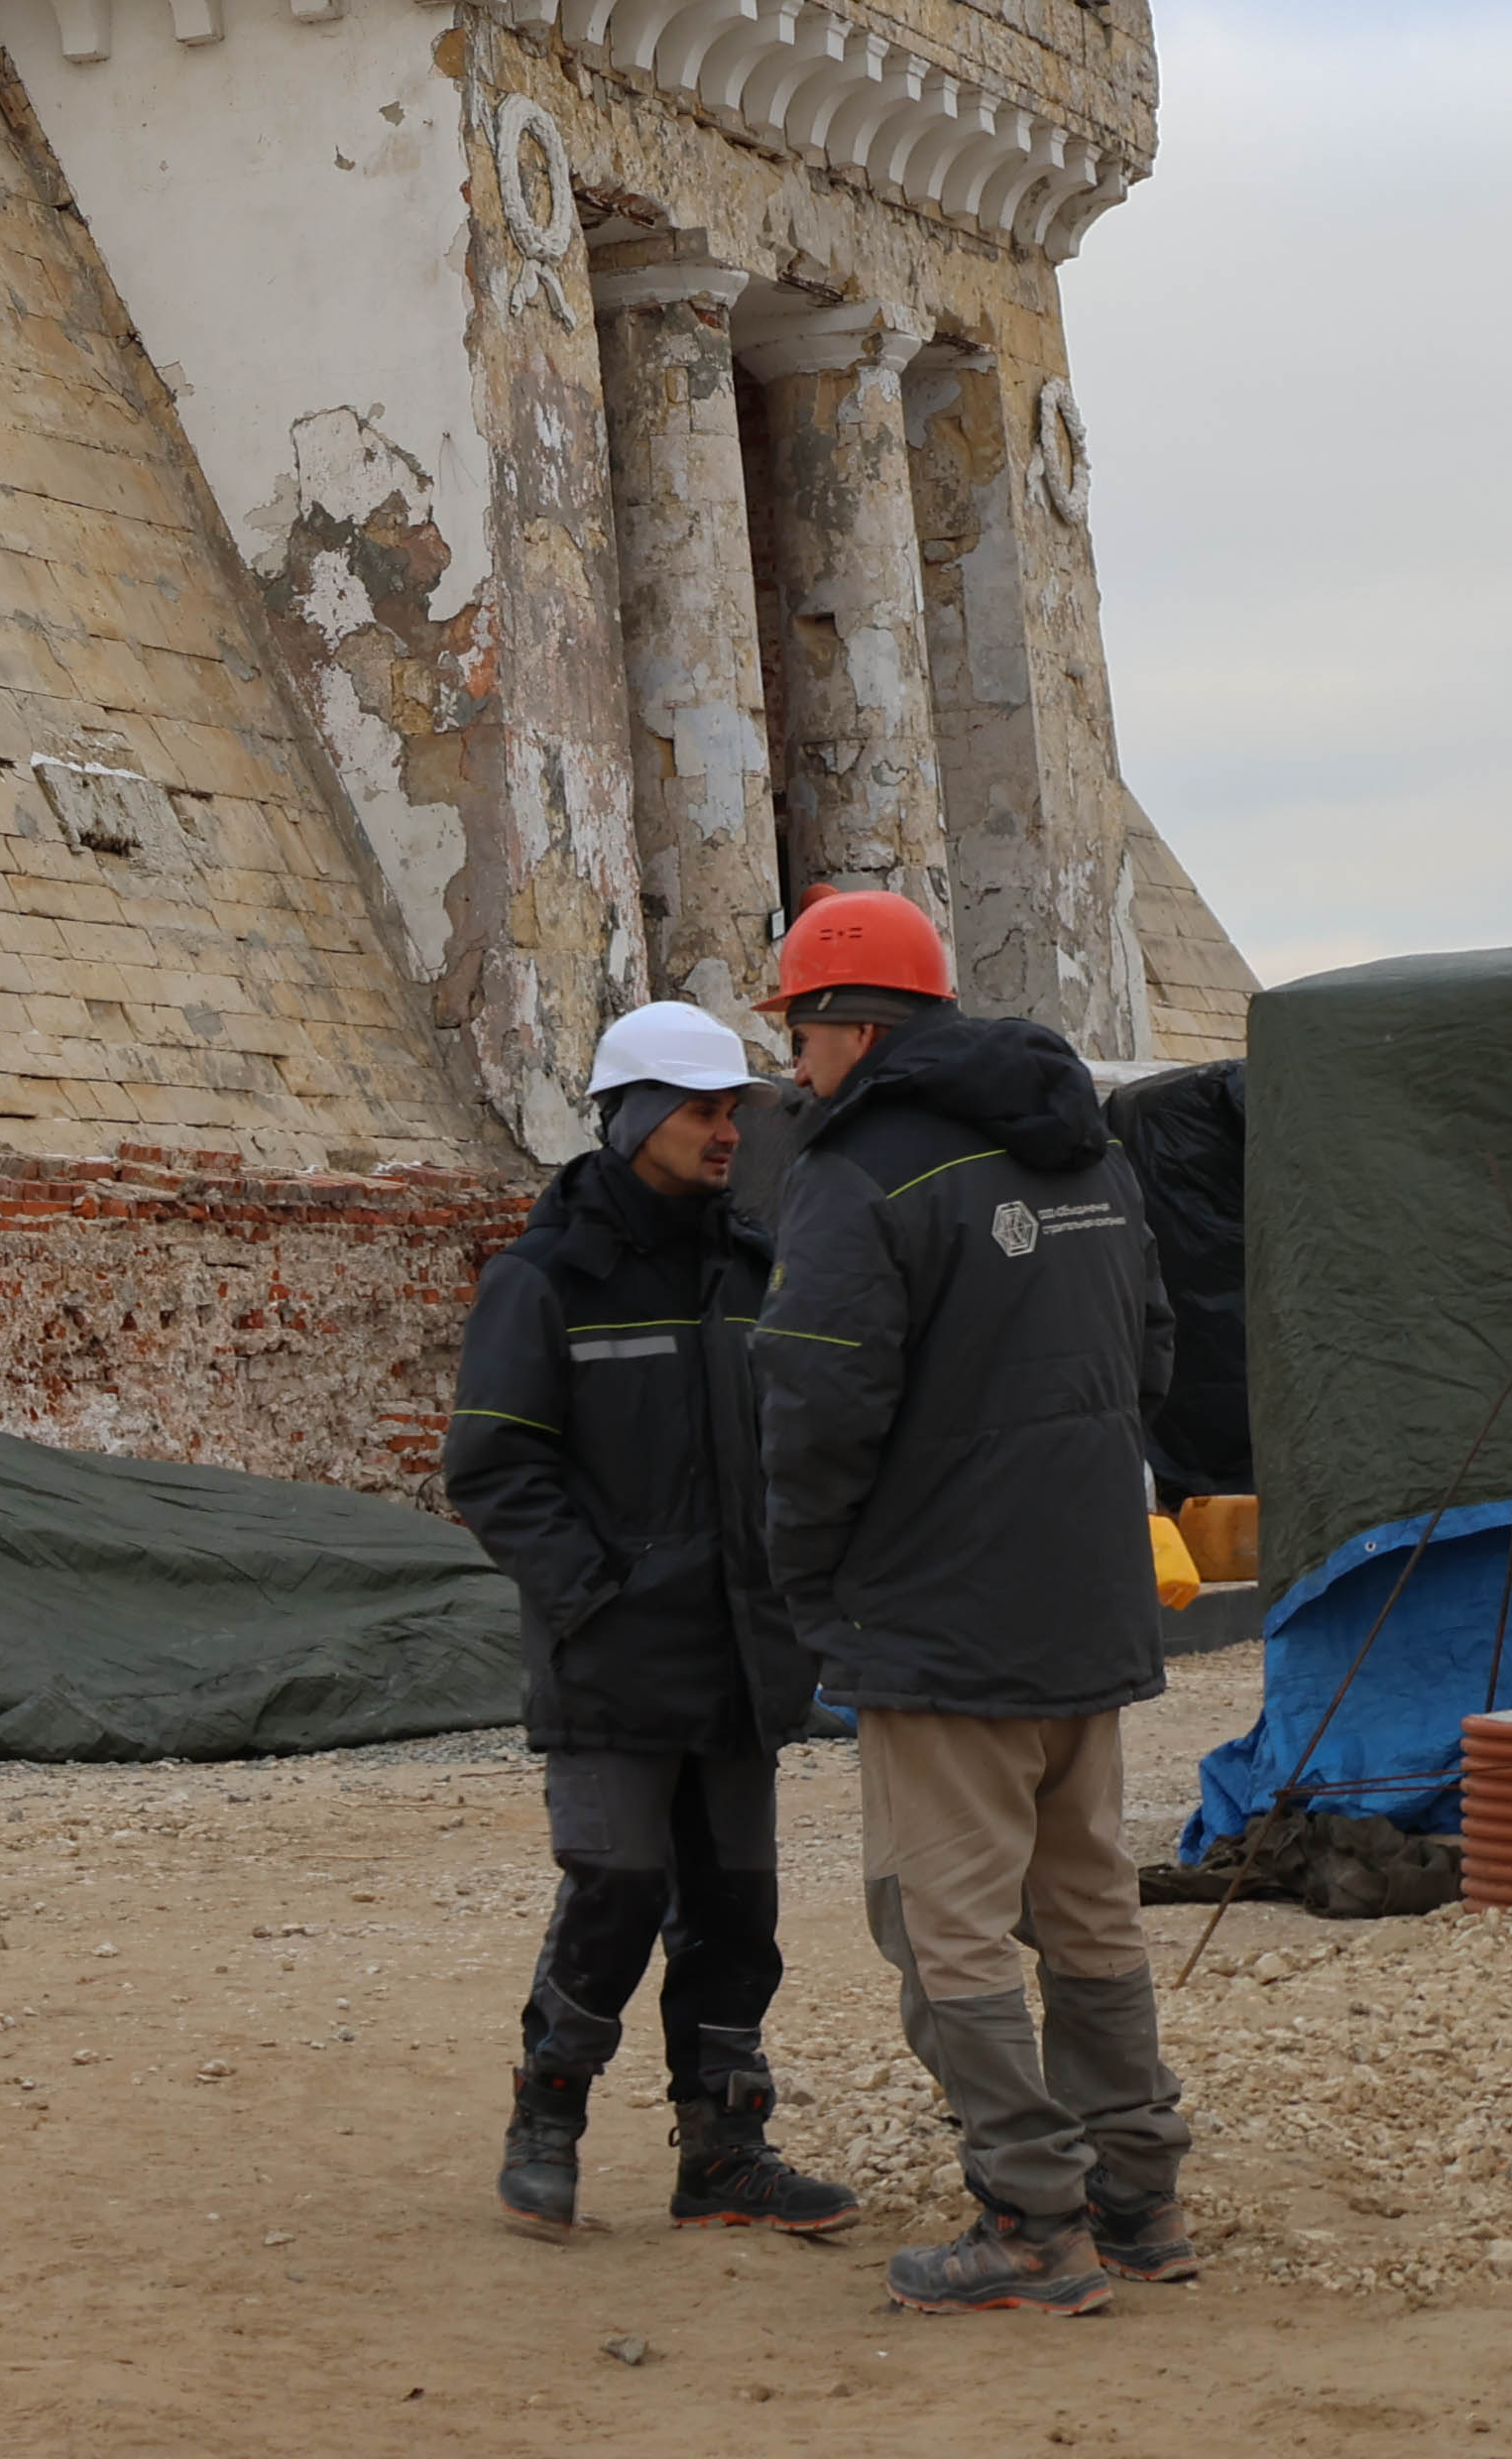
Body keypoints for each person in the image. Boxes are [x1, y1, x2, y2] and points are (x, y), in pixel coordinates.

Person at [748, 885, 1194, 2313]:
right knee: (1089, 1908)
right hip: (1085, 1602)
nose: (792, 1071)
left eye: (798, 1040)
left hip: (943, 1624)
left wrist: (815, 1587)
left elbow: (816, 1404)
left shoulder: (859, 1167)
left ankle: (1031, 2221)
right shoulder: (1089, 1148)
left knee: (947, 1931)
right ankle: (1141, 2200)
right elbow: (1159, 1354)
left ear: (845, 1024)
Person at [445, 1001, 854, 2243]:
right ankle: (548, 2117)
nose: (727, 1129)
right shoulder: (543, 1277)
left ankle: (725, 2149)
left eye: (736, 1107)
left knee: (737, 1907)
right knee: (616, 1885)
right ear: (629, 1120)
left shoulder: (754, 1262)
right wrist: (594, 1597)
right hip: (616, 1656)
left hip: (739, 1654)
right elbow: (494, 1467)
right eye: (700, 1109)